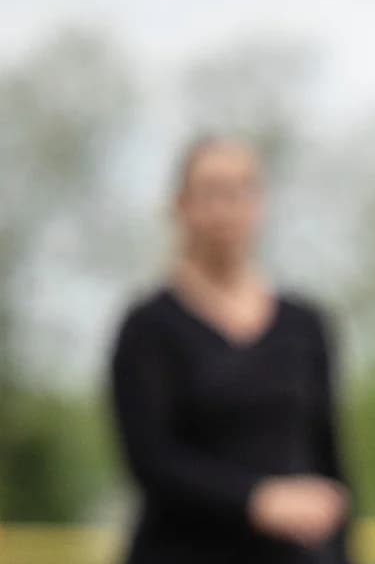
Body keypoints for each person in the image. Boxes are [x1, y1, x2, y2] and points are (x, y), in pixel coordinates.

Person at [108, 134, 354, 563]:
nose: (228, 206)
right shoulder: (149, 327)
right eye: (212, 191)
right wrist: (256, 500)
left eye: (242, 189)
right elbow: (150, 459)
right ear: (181, 205)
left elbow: (329, 457)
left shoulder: (304, 325)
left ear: (261, 202)